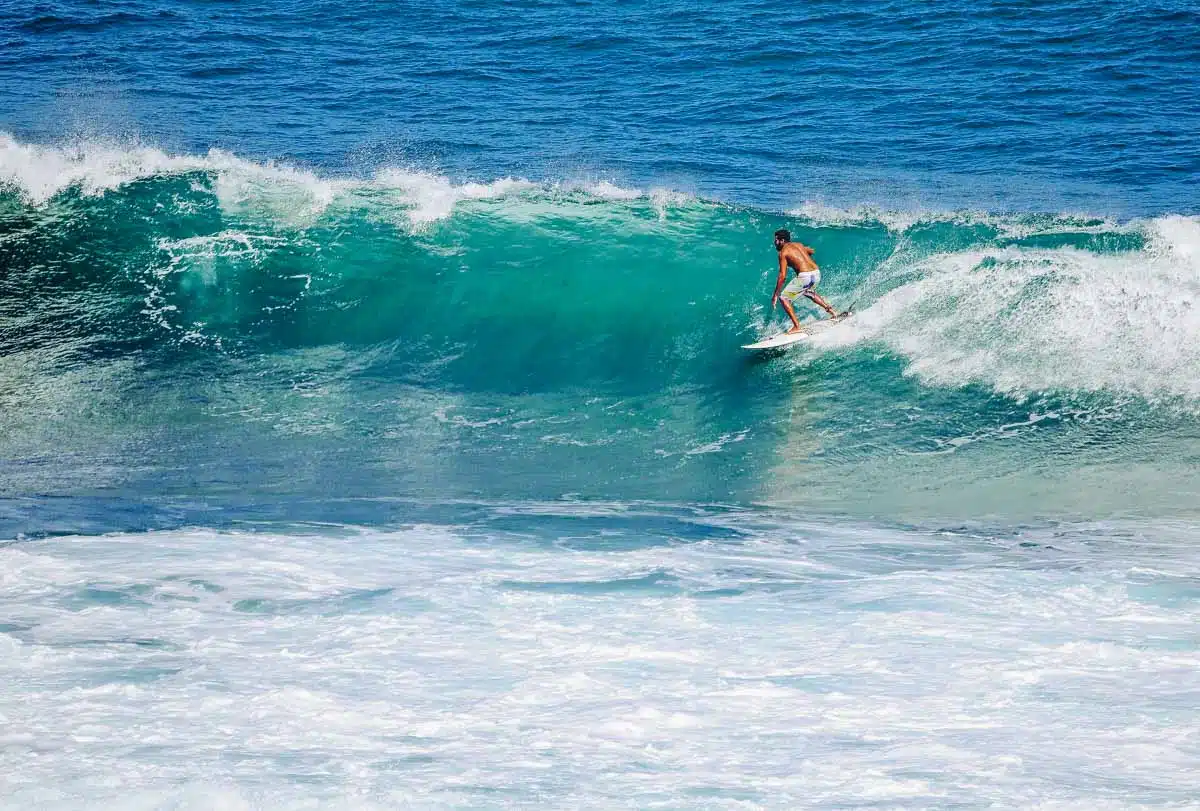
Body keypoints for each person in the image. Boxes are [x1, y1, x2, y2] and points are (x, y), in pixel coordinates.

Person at [770, 228, 839, 334]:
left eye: (776, 240)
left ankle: (797, 326)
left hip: (805, 277)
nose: (774, 243)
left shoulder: (783, 253)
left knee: (784, 298)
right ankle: (832, 312)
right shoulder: (799, 245)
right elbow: (811, 251)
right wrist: (801, 255)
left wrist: (775, 294)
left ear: (782, 240)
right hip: (816, 273)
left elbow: (782, 276)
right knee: (807, 292)